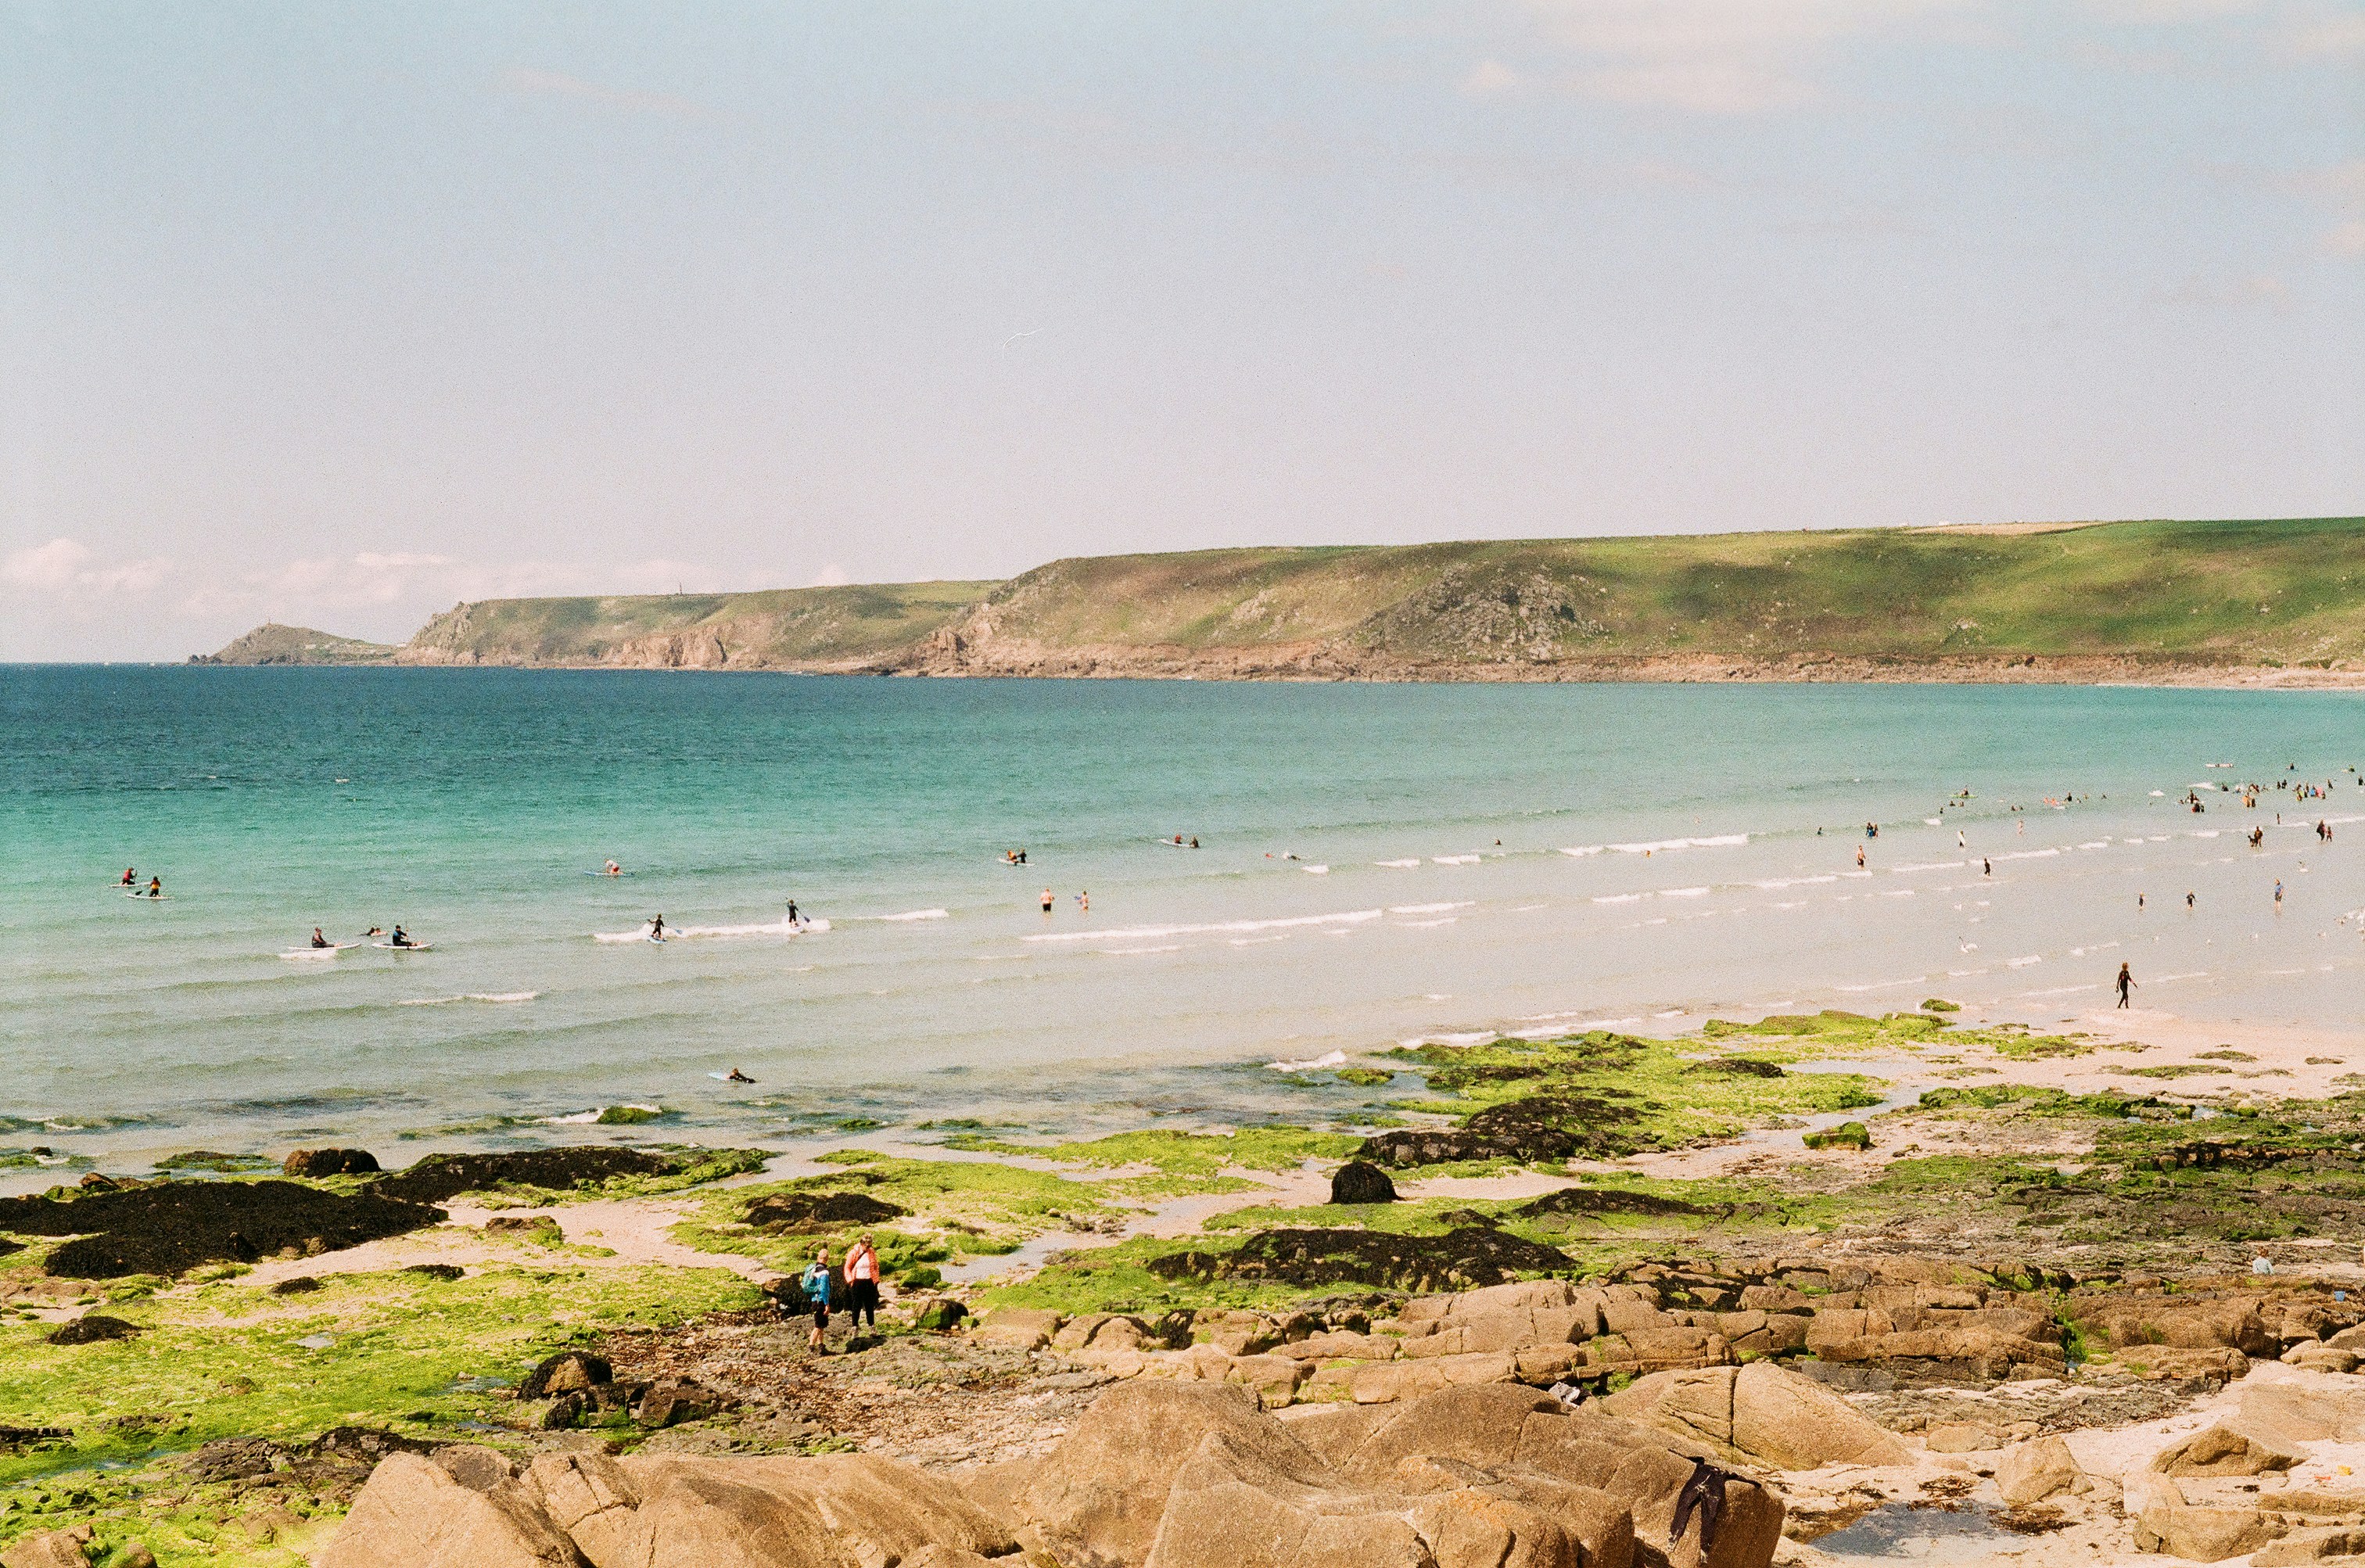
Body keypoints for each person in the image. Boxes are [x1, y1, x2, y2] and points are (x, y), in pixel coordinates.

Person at [843, 1233, 881, 1334]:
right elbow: (847, 1267)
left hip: (869, 1281)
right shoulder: (853, 1253)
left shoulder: (871, 1252)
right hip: (857, 1282)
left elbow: (876, 1266)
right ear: (862, 1243)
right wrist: (850, 1280)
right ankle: (855, 1328)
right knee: (856, 1305)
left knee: (869, 1306)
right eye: (867, 1245)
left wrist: (876, 1280)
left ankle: (872, 1328)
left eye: (870, 1245)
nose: (868, 1247)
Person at [802, 1247, 834, 1352]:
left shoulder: (813, 1269)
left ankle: (821, 1346)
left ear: (818, 1257)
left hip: (813, 1300)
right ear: (827, 1259)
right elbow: (824, 1290)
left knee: (821, 1325)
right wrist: (827, 1304)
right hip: (820, 1301)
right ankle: (811, 1346)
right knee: (818, 1326)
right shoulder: (824, 1272)